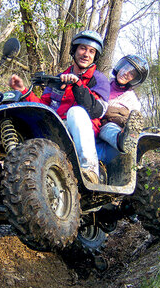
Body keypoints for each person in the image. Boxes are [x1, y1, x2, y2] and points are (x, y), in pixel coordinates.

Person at [9, 30, 110, 183]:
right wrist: (23, 90)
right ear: (74, 50)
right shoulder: (58, 78)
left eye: (91, 51)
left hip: (83, 128)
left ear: (95, 56)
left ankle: (90, 171)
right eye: (82, 48)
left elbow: (96, 111)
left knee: (75, 112)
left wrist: (78, 84)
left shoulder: (99, 79)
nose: (86, 54)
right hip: (57, 127)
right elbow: (44, 107)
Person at [96, 55, 148, 163]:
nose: (125, 73)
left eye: (131, 74)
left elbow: (132, 120)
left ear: (135, 80)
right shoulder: (103, 83)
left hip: (109, 125)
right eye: (125, 68)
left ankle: (122, 139)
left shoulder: (132, 100)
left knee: (109, 129)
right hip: (94, 121)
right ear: (120, 67)